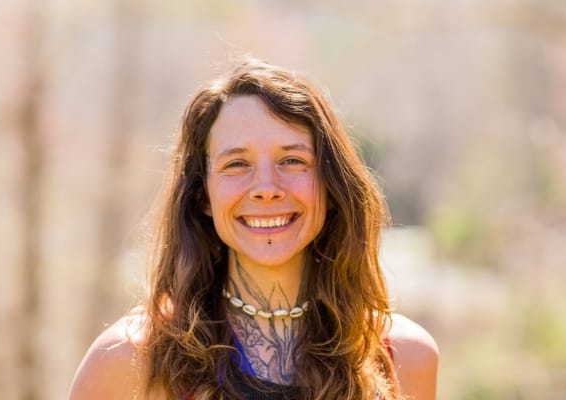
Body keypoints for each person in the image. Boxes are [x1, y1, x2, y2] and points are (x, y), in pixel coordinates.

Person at [68, 59, 438, 400]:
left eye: (292, 160)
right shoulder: (129, 361)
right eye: (237, 164)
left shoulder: (404, 356)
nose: (265, 187)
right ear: (203, 197)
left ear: (331, 184)